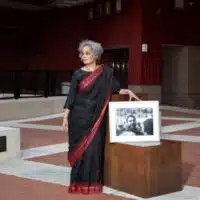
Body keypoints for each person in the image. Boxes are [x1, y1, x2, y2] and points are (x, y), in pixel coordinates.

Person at [62, 39, 141, 194]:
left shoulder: (106, 73)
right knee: (78, 152)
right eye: (81, 53)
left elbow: (116, 88)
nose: (83, 56)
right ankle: (78, 183)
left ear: (95, 55)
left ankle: (92, 183)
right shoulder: (78, 74)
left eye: (87, 53)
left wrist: (128, 91)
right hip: (78, 119)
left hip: (97, 119)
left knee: (94, 150)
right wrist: (65, 116)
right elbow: (71, 97)